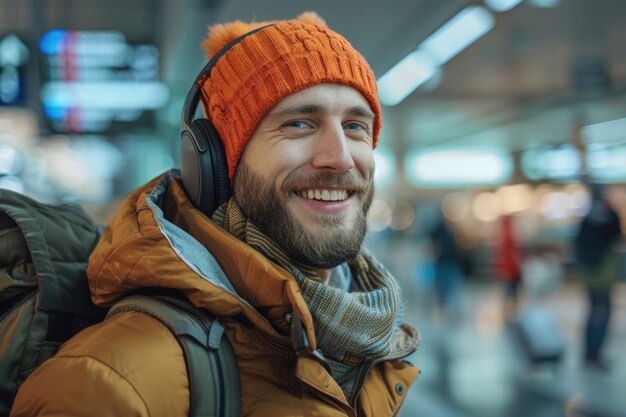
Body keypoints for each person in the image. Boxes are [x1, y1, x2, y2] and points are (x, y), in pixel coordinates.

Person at [10, 12, 420, 417]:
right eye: (298, 123)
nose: (340, 158)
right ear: (217, 165)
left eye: (354, 126)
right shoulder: (112, 385)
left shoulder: (366, 338)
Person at [574, 183, 622, 370]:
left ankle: (589, 351)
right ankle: (595, 352)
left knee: (592, 312)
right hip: (603, 275)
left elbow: (577, 242)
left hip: (588, 276)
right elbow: (617, 237)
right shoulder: (609, 217)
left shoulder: (586, 218)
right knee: (603, 313)